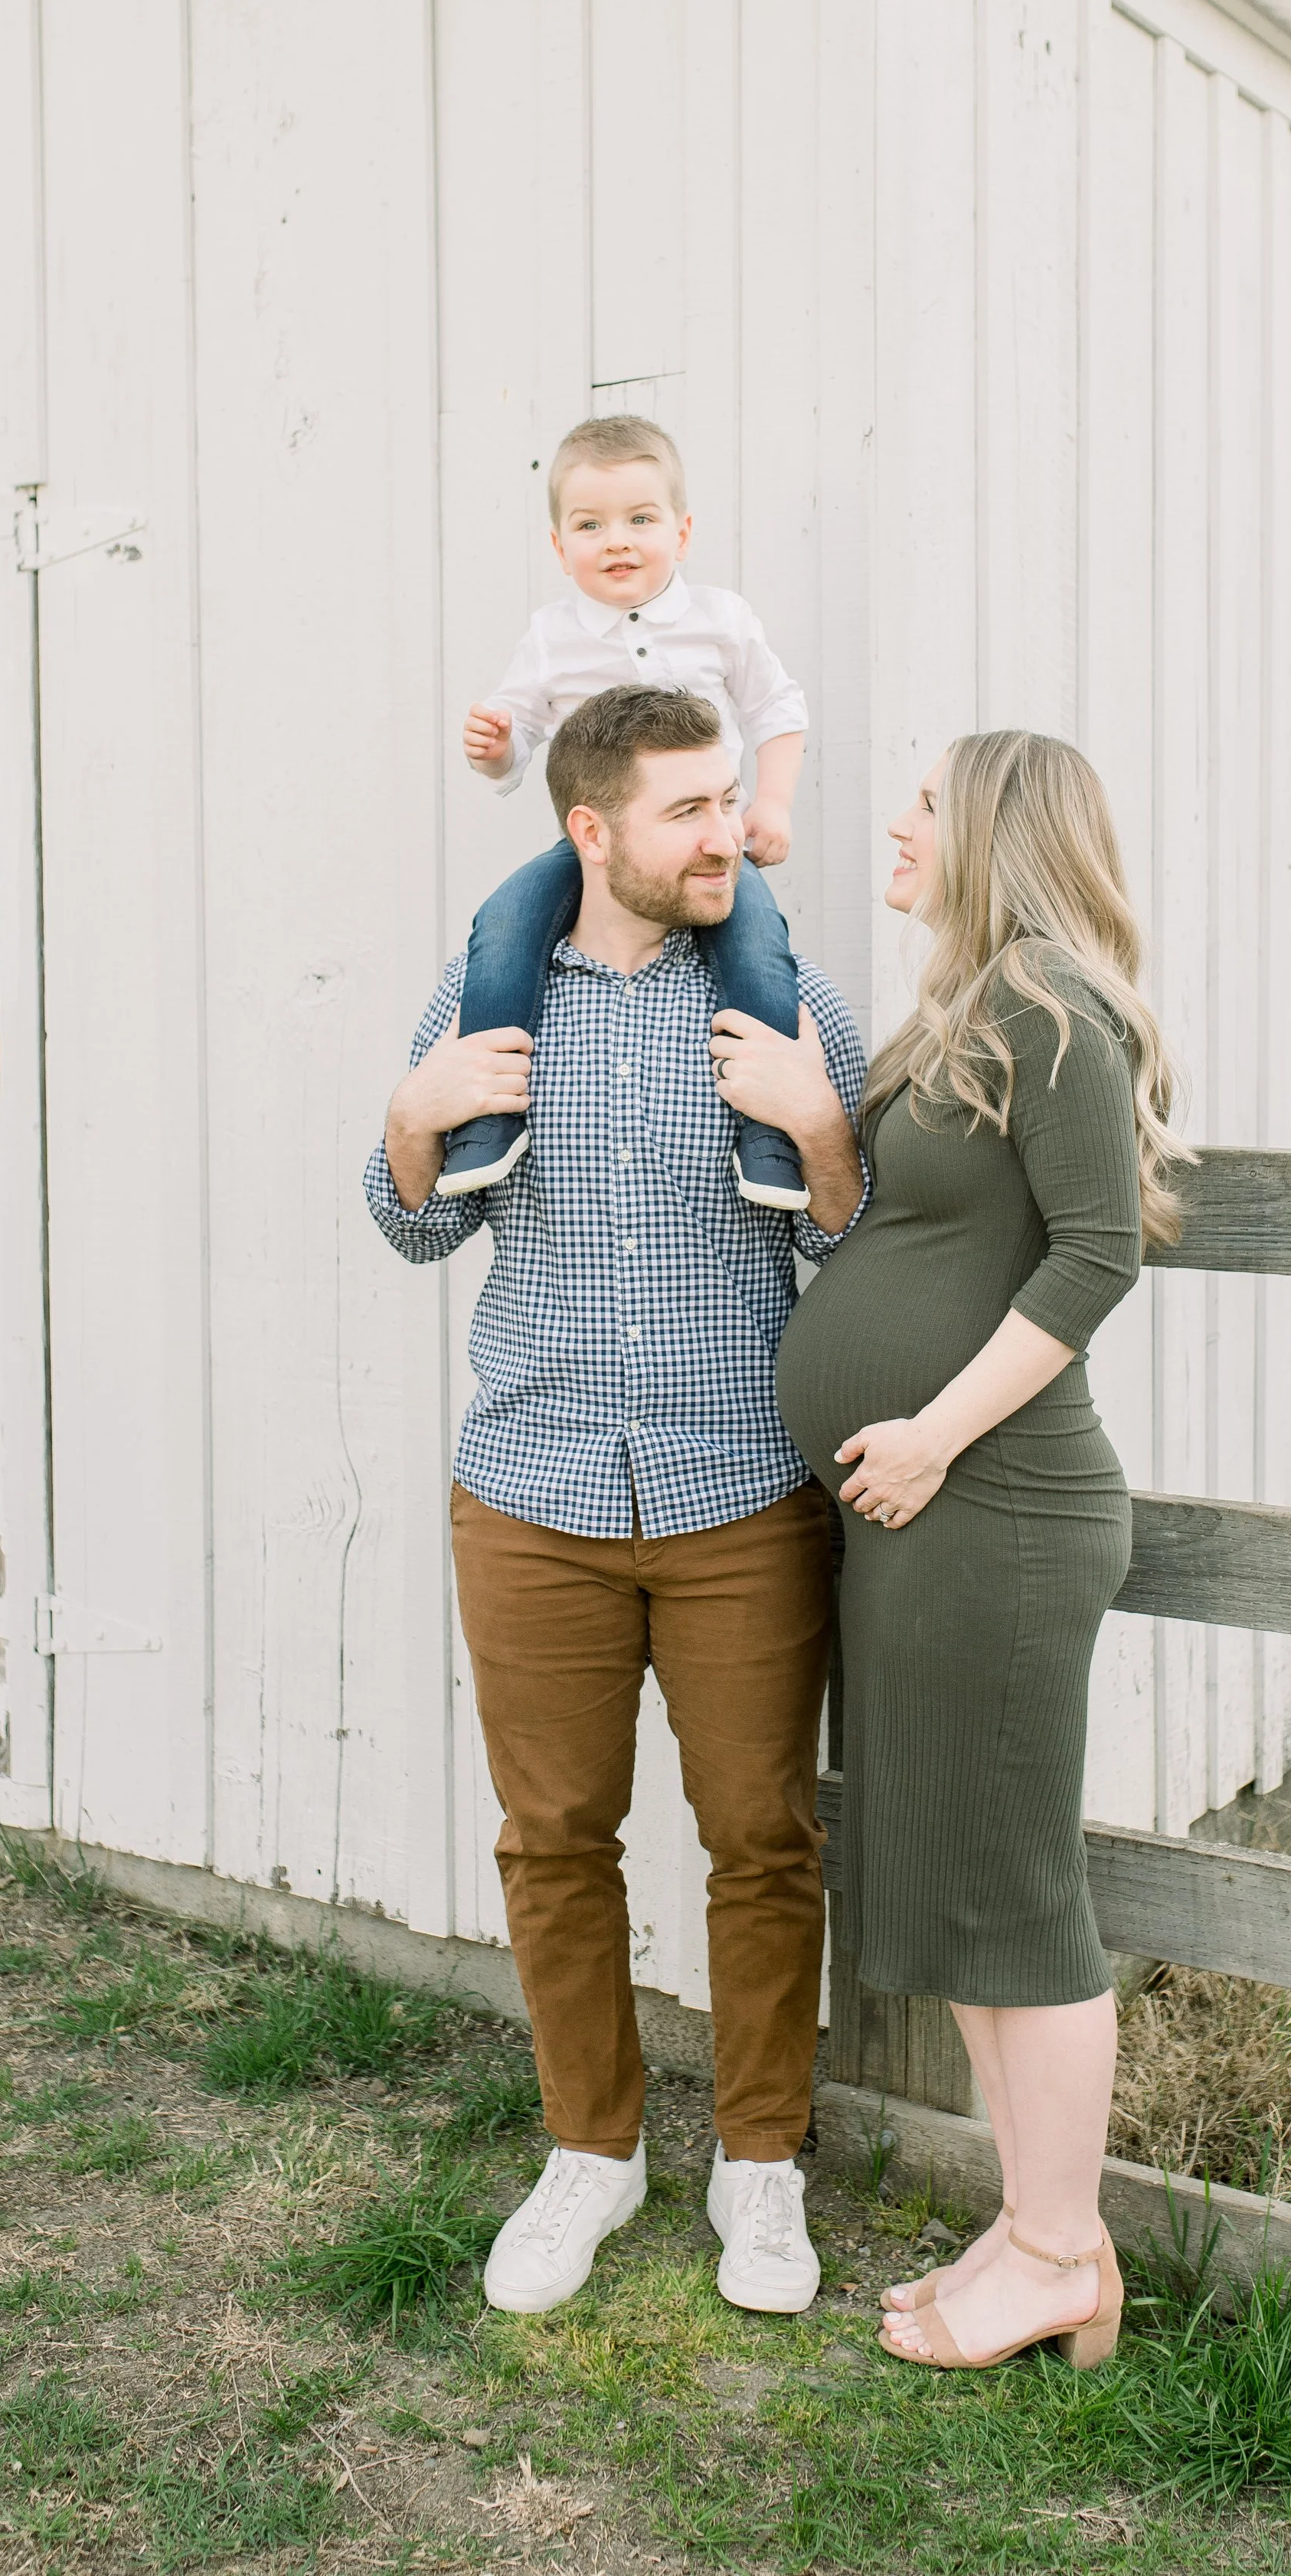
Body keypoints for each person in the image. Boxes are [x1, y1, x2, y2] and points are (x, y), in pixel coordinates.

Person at [365, 683, 868, 2319]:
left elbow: (858, 1263)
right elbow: (416, 1229)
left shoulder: (791, 1005)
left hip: (740, 1496)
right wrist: (405, 1124)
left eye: (731, 799)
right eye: (687, 811)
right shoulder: (487, 994)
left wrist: (824, 1141)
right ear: (590, 831)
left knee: (762, 1841)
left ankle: (759, 2168)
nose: (729, 831)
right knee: (554, 1840)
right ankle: (591, 2151)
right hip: (531, 1491)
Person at [723, 730, 1189, 2374]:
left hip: (989, 1508)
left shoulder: (1054, 1005)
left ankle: (1063, 2250)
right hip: (921, 1517)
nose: (899, 827)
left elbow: (1088, 1260)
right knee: (969, 1886)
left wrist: (929, 1431)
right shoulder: (971, 1011)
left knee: (1016, 1891)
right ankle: (1030, 2222)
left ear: (995, 826)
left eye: (925, 804)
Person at [447, 414, 812, 1211]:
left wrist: (773, 802)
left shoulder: (721, 619)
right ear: (558, 546)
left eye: (641, 519)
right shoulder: (551, 637)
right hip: (595, 850)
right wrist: (494, 747)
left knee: (756, 946)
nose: (617, 539)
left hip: (709, 842)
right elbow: (514, 742)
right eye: (590, 524)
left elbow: (777, 710)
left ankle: (769, 1134)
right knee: (503, 926)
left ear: (681, 531)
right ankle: (488, 1117)